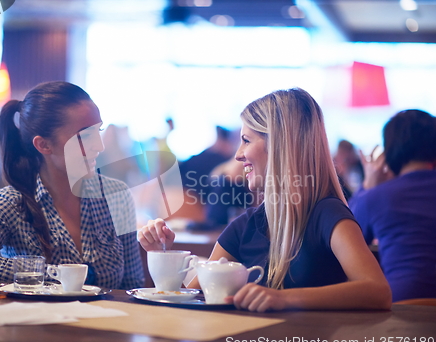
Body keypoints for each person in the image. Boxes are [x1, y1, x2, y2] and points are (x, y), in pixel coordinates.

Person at [139, 88, 391, 312]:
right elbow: (193, 295)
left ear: (279, 145)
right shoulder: (247, 223)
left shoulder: (327, 215)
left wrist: (284, 299)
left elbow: (377, 291)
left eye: (246, 140)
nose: (238, 155)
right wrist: (162, 253)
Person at [0, 81, 144, 290]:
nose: (99, 145)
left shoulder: (116, 195)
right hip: (38, 322)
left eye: (99, 131)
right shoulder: (13, 201)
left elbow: (132, 285)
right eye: (84, 136)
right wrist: (50, 272)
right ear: (43, 145)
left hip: (108, 321)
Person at [349, 109, 436, 302]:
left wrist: (367, 186)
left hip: (402, 305)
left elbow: (346, 237)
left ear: (389, 152)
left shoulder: (377, 197)